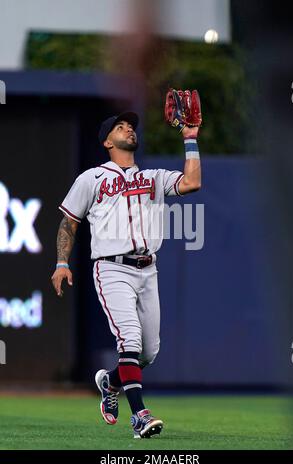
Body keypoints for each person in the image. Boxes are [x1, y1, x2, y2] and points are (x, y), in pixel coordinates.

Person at [51, 108, 201, 439]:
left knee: (148, 352)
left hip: (148, 270)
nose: (129, 129)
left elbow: (192, 182)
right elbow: (69, 221)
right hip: (112, 267)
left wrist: (189, 138)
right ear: (107, 141)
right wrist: (62, 262)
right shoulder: (91, 178)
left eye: (131, 126)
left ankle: (109, 382)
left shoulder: (153, 177)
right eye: (120, 126)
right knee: (129, 337)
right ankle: (140, 416)